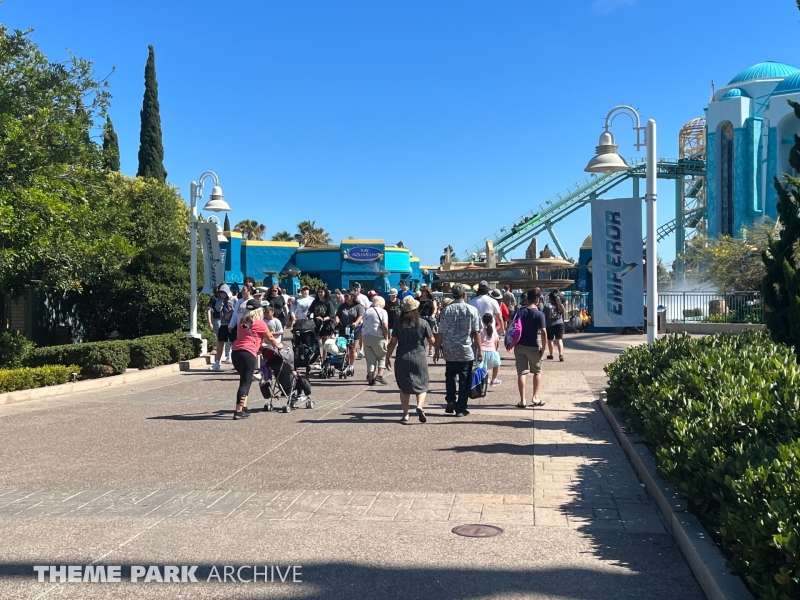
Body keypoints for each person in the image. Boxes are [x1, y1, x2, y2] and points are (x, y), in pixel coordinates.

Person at [434, 283, 482, 418]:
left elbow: (441, 332)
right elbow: (476, 332)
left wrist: (437, 349)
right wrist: (480, 349)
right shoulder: (472, 310)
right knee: (464, 379)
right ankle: (461, 408)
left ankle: (450, 399)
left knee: (450, 375)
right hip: (465, 350)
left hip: (449, 349)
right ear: (464, 295)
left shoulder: (446, 310)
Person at [386, 295, 435, 423]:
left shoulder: (399, 324)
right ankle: (419, 406)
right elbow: (432, 340)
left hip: (402, 356)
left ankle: (405, 414)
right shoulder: (423, 323)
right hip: (419, 355)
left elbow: (393, 342)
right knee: (422, 384)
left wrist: (387, 357)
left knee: (404, 387)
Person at [229, 298, 282, 419]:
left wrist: (259, 343)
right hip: (248, 354)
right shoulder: (260, 323)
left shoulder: (242, 321)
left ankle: (244, 407)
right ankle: (238, 411)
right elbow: (270, 338)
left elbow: (247, 336)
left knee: (245, 380)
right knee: (245, 382)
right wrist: (278, 345)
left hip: (236, 353)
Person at [514, 289, 548, 408]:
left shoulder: (519, 311)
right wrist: (543, 348)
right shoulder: (539, 314)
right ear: (537, 300)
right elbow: (543, 332)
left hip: (519, 345)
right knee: (537, 372)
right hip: (533, 346)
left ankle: (522, 400)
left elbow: (512, 325)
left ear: (527, 299)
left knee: (522, 373)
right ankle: (535, 397)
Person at [361, 295, 390, 385]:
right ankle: (379, 375)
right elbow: (385, 326)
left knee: (370, 358)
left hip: (365, 335)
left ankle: (370, 377)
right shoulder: (383, 311)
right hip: (377, 336)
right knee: (382, 355)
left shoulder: (367, 311)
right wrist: (386, 336)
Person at [335, 290, 364, 374]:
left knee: (352, 349)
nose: (345, 297)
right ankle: (345, 363)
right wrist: (337, 320)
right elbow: (337, 315)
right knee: (343, 348)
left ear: (352, 297)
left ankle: (351, 365)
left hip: (354, 330)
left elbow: (360, 316)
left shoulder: (358, 306)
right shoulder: (342, 306)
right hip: (343, 329)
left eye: (347, 296)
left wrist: (356, 323)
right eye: (345, 296)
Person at [209, 284, 235, 371]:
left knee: (234, 344)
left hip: (232, 324)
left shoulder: (234, 299)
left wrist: (230, 313)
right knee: (220, 343)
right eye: (220, 293)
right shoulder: (220, 300)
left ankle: (235, 362)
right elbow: (218, 309)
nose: (221, 294)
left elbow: (238, 310)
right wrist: (221, 301)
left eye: (223, 293)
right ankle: (217, 363)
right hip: (223, 324)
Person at [480, 313, 502, 386]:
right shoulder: (493, 330)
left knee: (483, 366)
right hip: (492, 350)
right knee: (497, 364)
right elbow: (497, 341)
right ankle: (494, 379)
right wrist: (495, 350)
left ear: (483, 321)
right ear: (492, 321)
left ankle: (484, 380)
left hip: (482, 351)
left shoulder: (480, 330)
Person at [544, 290, 566, 362]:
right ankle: (561, 354)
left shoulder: (547, 305)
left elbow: (543, 315)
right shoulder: (560, 305)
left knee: (550, 340)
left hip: (550, 325)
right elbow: (563, 313)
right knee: (559, 340)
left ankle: (551, 354)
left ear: (550, 298)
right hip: (559, 324)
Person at [418, 285, 438, 357]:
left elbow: (435, 308)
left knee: (430, 334)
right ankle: (421, 348)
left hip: (429, 318)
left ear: (427, 292)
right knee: (420, 333)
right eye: (421, 291)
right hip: (420, 318)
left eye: (423, 291)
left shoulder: (431, 299)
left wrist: (433, 314)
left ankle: (430, 349)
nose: (421, 292)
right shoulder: (418, 299)